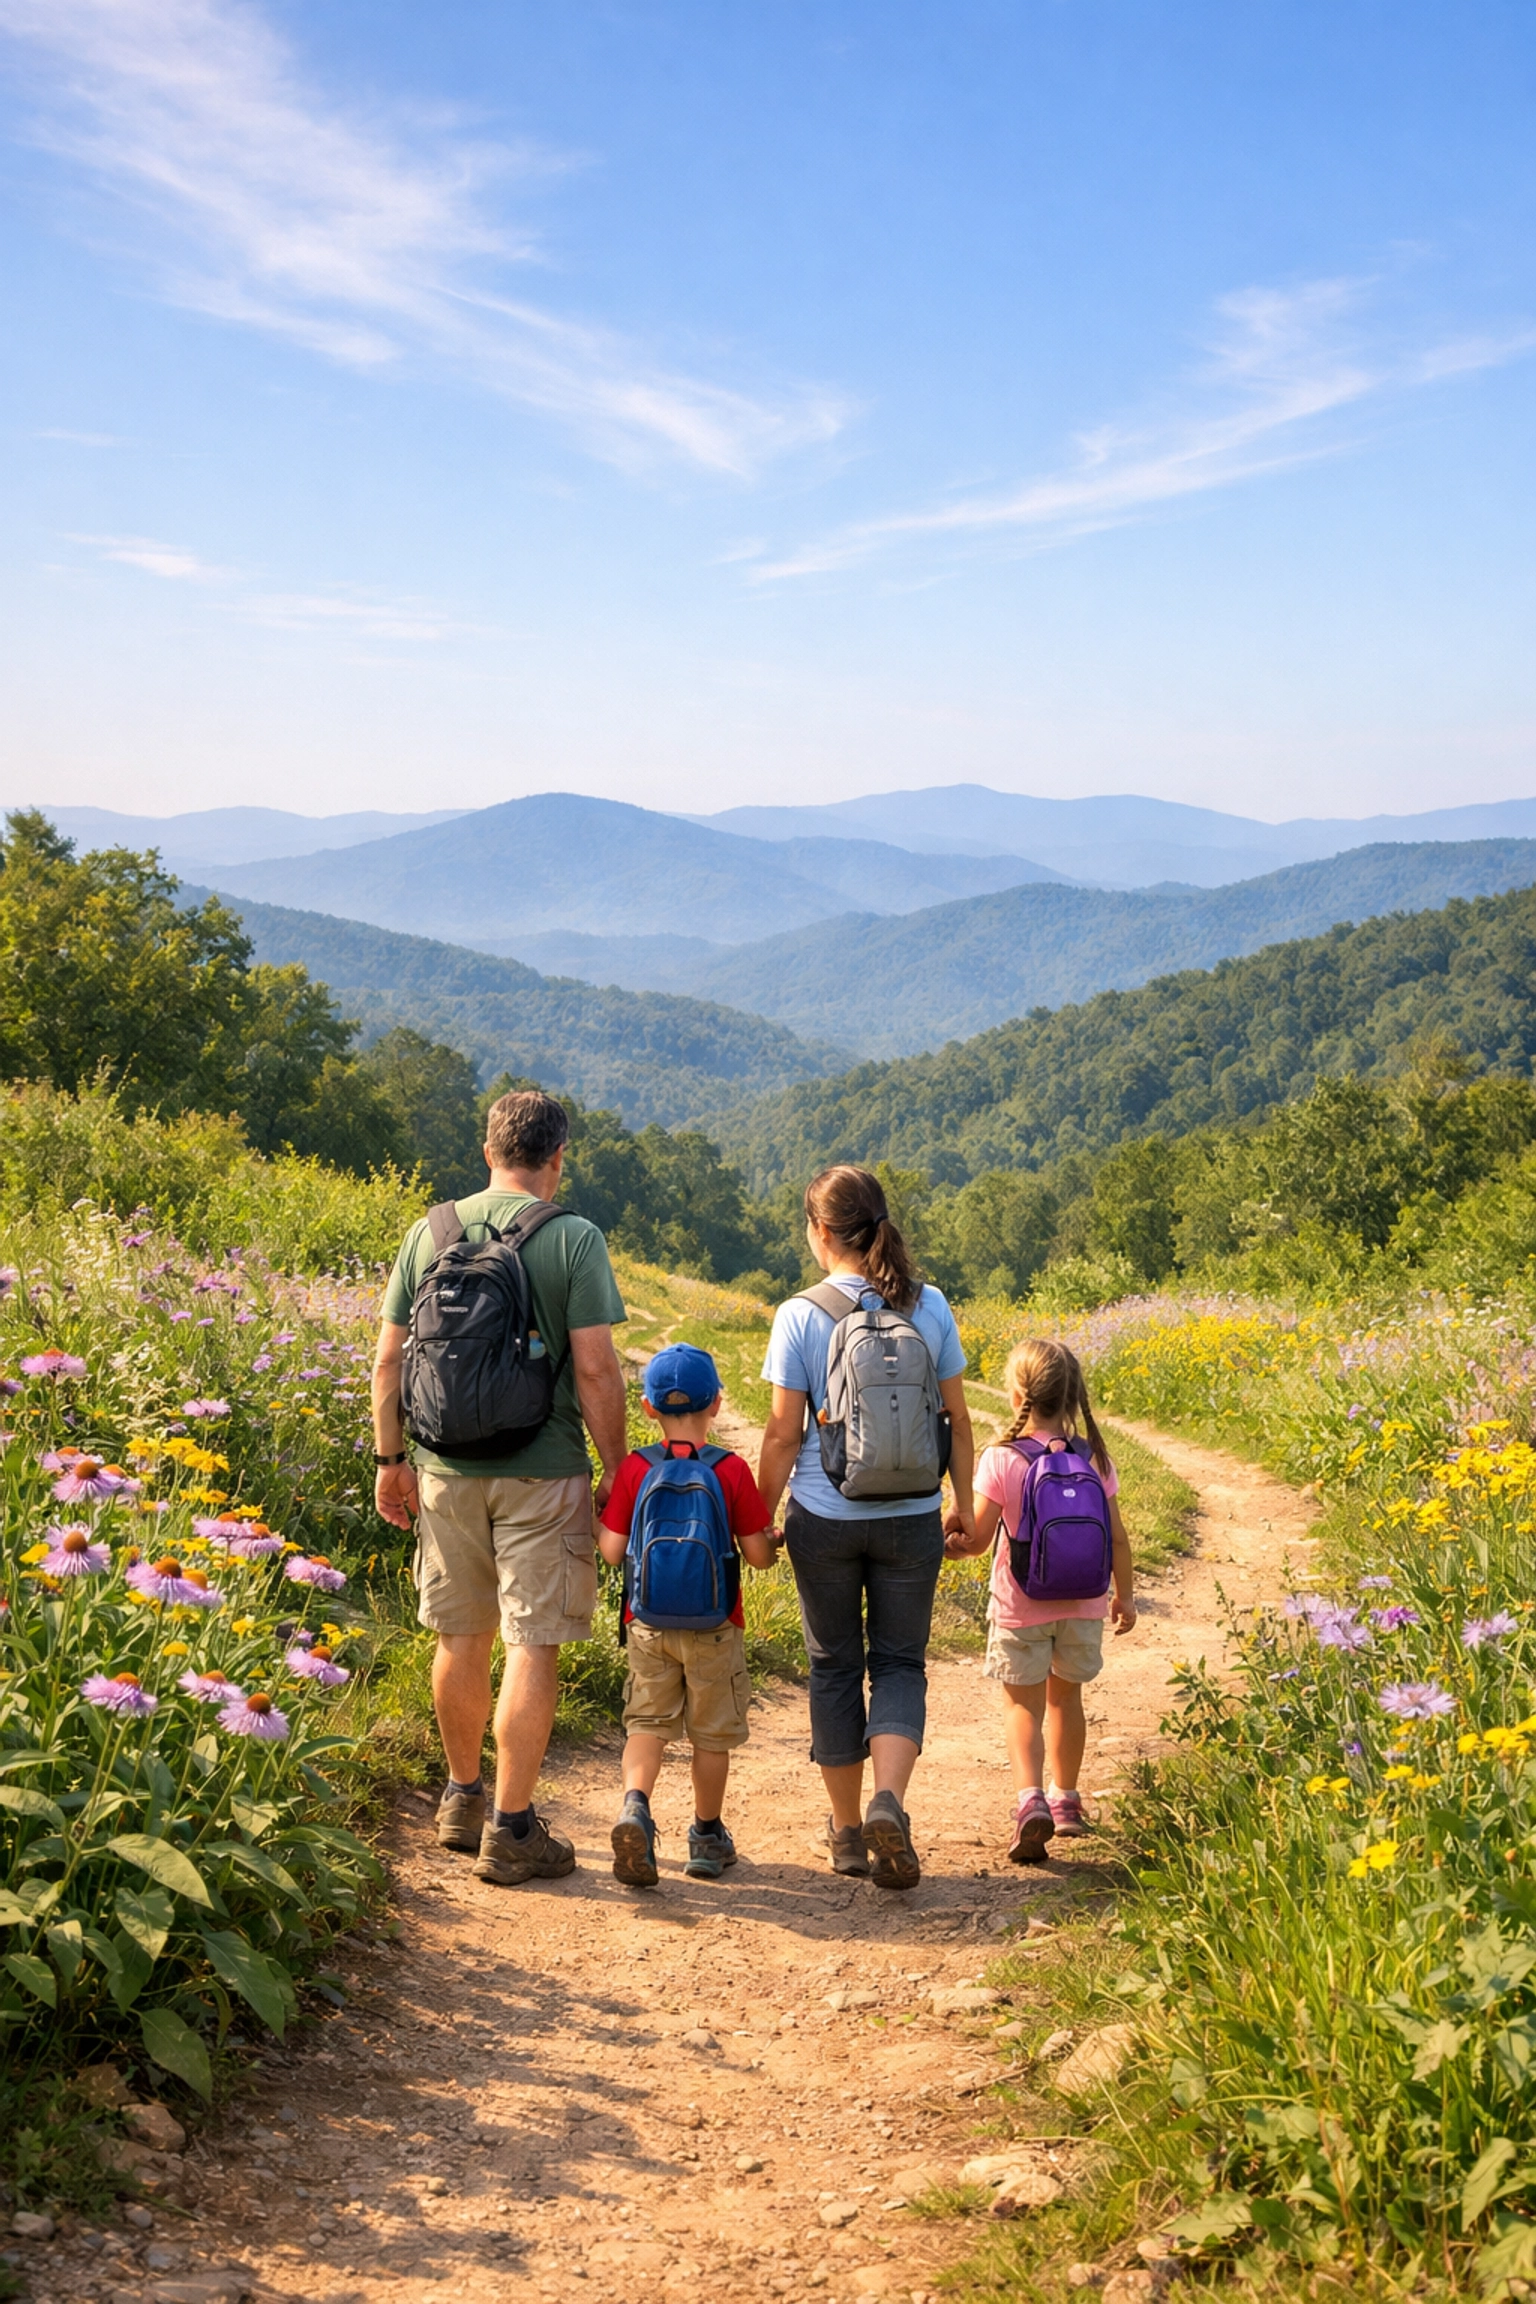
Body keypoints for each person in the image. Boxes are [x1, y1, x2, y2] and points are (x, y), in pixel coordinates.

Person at [371, 1087, 628, 1887]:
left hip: (444, 1467)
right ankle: (512, 1828)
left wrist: (391, 1461)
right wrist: (618, 1469)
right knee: (533, 1640)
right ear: (558, 1159)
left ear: (488, 1151)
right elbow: (594, 1368)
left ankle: (460, 1798)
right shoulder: (574, 1238)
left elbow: (387, 1362)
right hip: (543, 1470)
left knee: (460, 1637)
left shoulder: (430, 1231)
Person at [756, 1165, 975, 1890]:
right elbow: (959, 1423)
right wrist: (964, 1505)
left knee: (833, 1666)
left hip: (824, 1517)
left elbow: (785, 1435)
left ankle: (849, 1835)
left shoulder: (800, 1314)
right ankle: (891, 1801)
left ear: (820, 1232)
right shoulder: (930, 1304)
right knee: (901, 1665)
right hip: (912, 1516)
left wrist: (757, 1517)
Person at [597, 1343, 778, 1888]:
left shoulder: (635, 1468)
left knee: (647, 1725)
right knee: (710, 1735)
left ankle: (635, 1808)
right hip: (716, 1626)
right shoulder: (731, 1471)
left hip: (647, 1622)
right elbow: (758, 1556)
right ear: (717, 1404)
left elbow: (610, 1550)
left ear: (648, 1409)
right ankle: (705, 1835)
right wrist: (775, 1539)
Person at [951, 1338, 1136, 1863]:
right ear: (1073, 1396)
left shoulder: (1002, 1458)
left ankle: (1030, 1799)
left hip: (1021, 1605)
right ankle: (1067, 1802)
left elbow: (980, 1539)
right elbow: (1118, 1537)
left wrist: (951, 1545)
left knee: (1022, 1706)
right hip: (1083, 1602)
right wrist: (1124, 1597)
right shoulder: (1093, 1456)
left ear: (1016, 1396)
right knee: (1066, 1701)